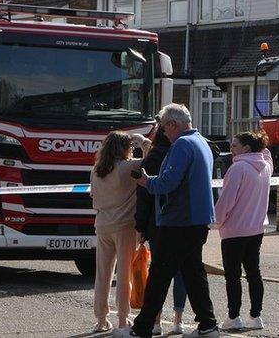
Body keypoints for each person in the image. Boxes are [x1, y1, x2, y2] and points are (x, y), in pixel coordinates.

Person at [121, 104, 219, 338]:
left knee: (159, 276)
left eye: (164, 128)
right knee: (193, 273)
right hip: (197, 220)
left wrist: (147, 182)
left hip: (178, 221)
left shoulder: (181, 144)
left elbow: (168, 182)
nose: (163, 133)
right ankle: (208, 325)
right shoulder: (201, 142)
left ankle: (142, 329)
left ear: (173, 124)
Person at [213, 131, 273, 331]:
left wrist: (215, 221)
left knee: (233, 275)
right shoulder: (265, 166)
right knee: (254, 273)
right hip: (256, 229)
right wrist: (260, 144)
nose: (231, 149)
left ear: (246, 148)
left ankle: (233, 316)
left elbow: (226, 201)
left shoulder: (238, 168)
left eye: (235, 145)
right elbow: (266, 153)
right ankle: (256, 316)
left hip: (234, 230)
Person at [90, 131, 147, 332]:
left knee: (102, 274)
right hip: (125, 226)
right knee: (124, 275)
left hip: (102, 224)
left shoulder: (97, 169)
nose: (132, 150)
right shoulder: (127, 167)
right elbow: (152, 160)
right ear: (124, 148)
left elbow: (93, 195)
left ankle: (101, 319)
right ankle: (123, 319)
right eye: (130, 147)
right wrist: (143, 142)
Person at [134, 130, 188, 336]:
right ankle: (178, 320)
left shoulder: (152, 159)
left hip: (157, 223)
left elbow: (144, 195)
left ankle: (156, 322)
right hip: (183, 221)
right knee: (181, 271)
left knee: (158, 273)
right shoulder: (186, 153)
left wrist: (140, 226)